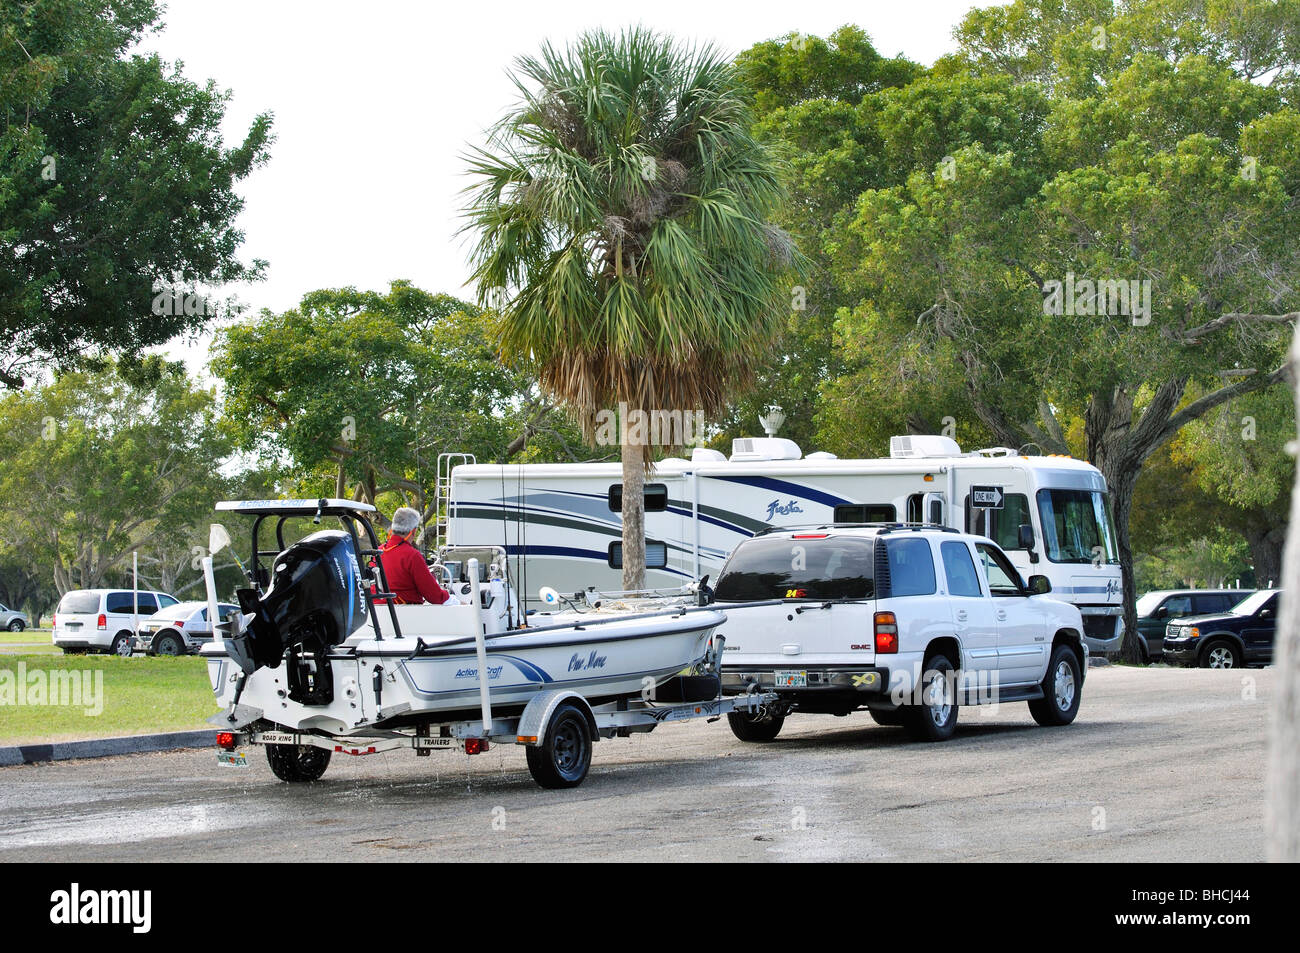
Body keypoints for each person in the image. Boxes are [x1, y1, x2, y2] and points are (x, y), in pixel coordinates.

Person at [375, 507, 459, 605]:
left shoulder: (378, 551)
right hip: (404, 611)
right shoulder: (412, 555)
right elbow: (434, 596)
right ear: (414, 531)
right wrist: (456, 601)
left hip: (377, 609)